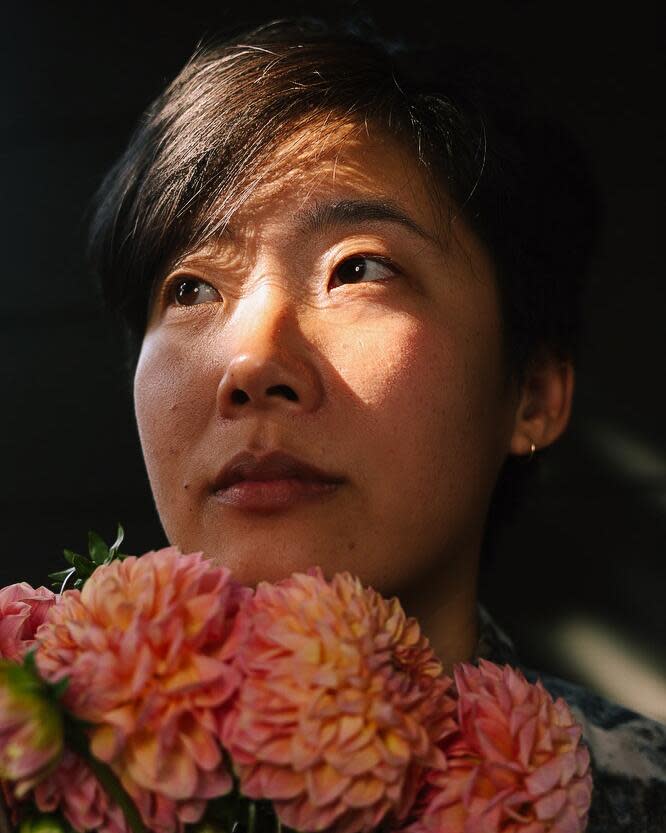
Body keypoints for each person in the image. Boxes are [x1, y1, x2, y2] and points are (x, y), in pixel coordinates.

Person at [84, 17, 665, 832]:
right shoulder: (42, 759)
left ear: (531, 393)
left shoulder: (635, 798)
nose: (251, 364)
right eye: (191, 289)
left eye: (358, 268)